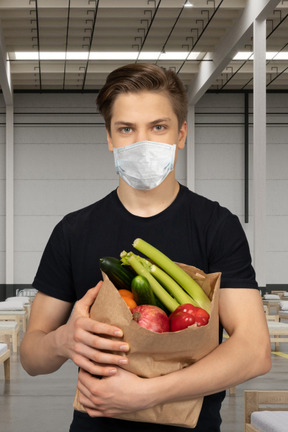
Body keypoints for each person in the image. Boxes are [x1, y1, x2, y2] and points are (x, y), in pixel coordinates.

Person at [20, 63, 271, 432]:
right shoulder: (73, 231)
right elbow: (31, 357)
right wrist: (61, 341)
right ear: (109, 138)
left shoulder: (216, 226)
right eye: (126, 129)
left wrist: (148, 393)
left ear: (181, 134)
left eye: (158, 127)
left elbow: (254, 351)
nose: (142, 142)